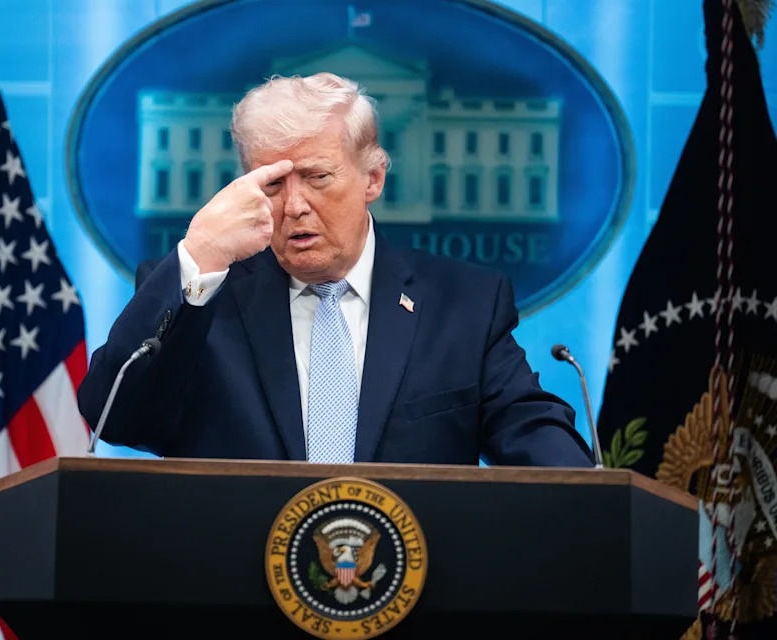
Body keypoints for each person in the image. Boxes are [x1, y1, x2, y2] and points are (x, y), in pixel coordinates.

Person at [77, 72, 593, 467]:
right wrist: (199, 254)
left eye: (318, 177)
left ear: (373, 178)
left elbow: (530, 430)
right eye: (273, 184)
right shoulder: (202, 296)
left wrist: (593, 493)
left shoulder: (464, 305)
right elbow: (114, 416)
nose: (295, 206)